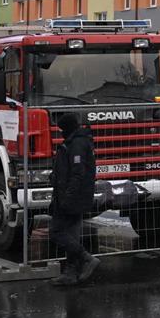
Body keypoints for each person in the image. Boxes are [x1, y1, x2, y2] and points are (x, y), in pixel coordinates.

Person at [49, 113, 99, 287]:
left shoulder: (76, 144)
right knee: (71, 234)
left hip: (71, 197)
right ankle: (70, 272)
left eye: (62, 129)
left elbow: (77, 174)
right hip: (70, 195)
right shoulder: (76, 141)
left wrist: (67, 197)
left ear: (68, 128)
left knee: (56, 232)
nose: (61, 132)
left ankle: (87, 258)